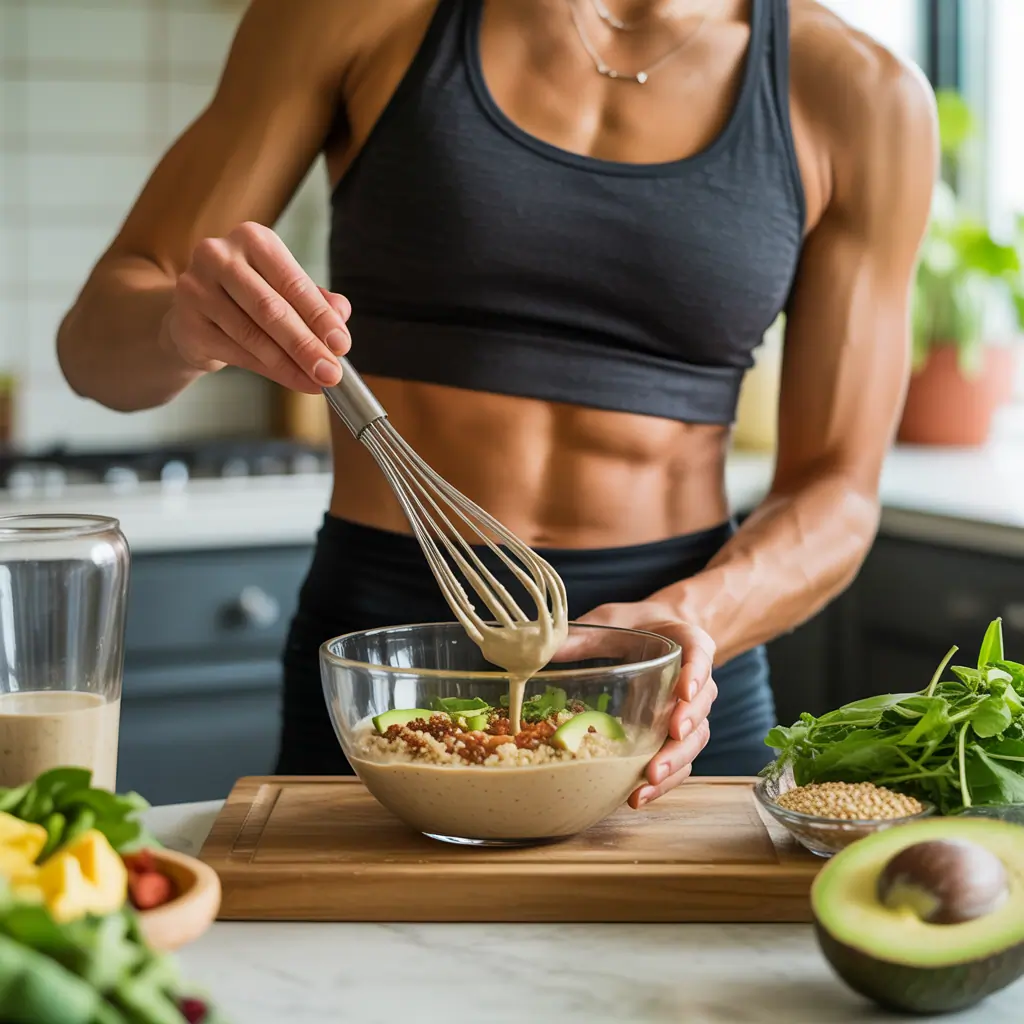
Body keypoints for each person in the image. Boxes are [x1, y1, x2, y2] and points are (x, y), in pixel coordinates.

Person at [56, 0, 937, 807]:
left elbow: (837, 491)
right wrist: (181, 329)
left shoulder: (860, 95)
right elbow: (92, 348)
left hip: (673, 685)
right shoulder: (356, 13)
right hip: (388, 658)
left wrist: (699, 618)